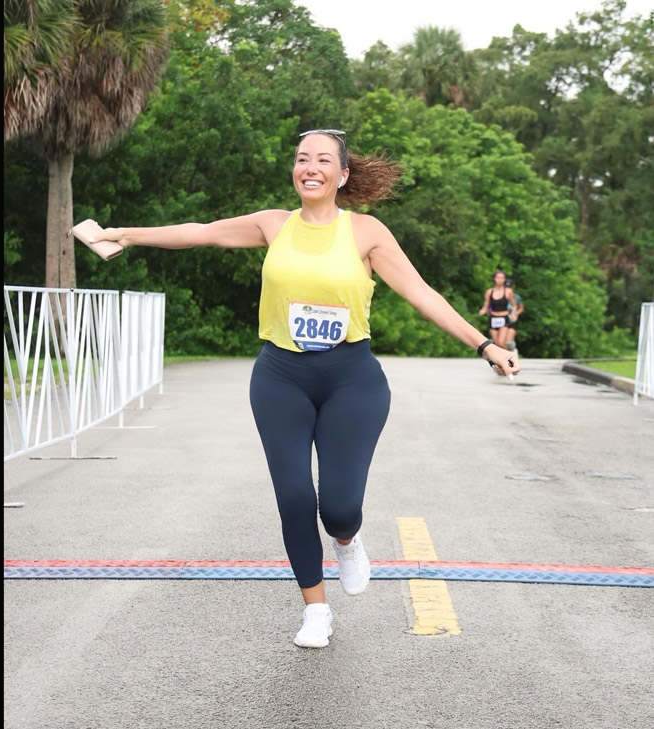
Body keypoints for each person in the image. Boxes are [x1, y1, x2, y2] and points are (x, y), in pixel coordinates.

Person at [79, 129, 518, 648]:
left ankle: (348, 542)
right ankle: (316, 610)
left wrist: (482, 345)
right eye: (302, 158)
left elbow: (422, 293)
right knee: (292, 497)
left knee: (337, 507)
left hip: (351, 379)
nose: (310, 167)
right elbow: (201, 231)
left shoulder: (366, 233)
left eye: (323, 160)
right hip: (280, 377)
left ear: (343, 174)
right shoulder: (273, 225)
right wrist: (122, 234)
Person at [478, 270, 515, 351]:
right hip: (493, 318)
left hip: (504, 318)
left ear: (504, 279)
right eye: (498, 277)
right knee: (496, 344)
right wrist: (482, 311)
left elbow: (514, 305)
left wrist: (513, 314)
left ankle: (507, 358)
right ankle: (500, 361)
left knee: (501, 342)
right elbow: (486, 305)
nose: (500, 280)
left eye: (502, 278)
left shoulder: (508, 292)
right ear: (494, 278)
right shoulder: (489, 292)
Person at [505, 278, 524, 352]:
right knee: (501, 341)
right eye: (506, 287)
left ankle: (512, 351)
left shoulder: (516, 297)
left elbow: (521, 308)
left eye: (509, 287)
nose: (508, 289)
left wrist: (516, 313)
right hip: (501, 318)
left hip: (511, 318)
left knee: (509, 341)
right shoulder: (500, 296)